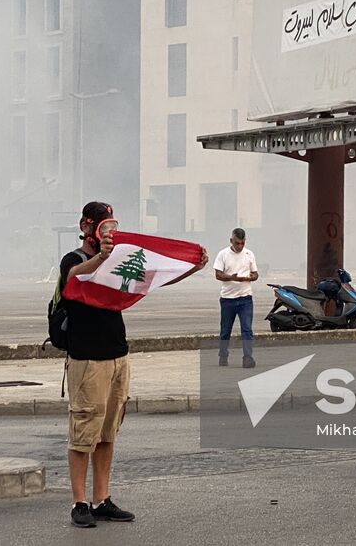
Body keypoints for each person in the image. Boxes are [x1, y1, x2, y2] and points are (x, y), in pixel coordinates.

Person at [59, 201, 205, 528]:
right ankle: (79, 503)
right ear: (86, 226)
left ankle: (101, 499)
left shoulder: (120, 258)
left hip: (117, 355)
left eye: (113, 227)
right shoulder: (76, 259)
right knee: (83, 432)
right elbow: (72, 278)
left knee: (108, 432)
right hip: (87, 359)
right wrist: (101, 257)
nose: (110, 233)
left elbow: (149, 279)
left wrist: (188, 267)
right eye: (103, 227)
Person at [214, 228, 259, 369]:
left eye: (242, 243)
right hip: (228, 298)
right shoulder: (223, 254)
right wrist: (232, 278)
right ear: (231, 241)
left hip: (245, 297)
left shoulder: (249, 254)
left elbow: (256, 273)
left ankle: (248, 357)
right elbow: (218, 275)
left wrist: (252, 277)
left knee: (247, 329)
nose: (240, 246)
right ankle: (223, 355)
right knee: (225, 330)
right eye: (237, 243)